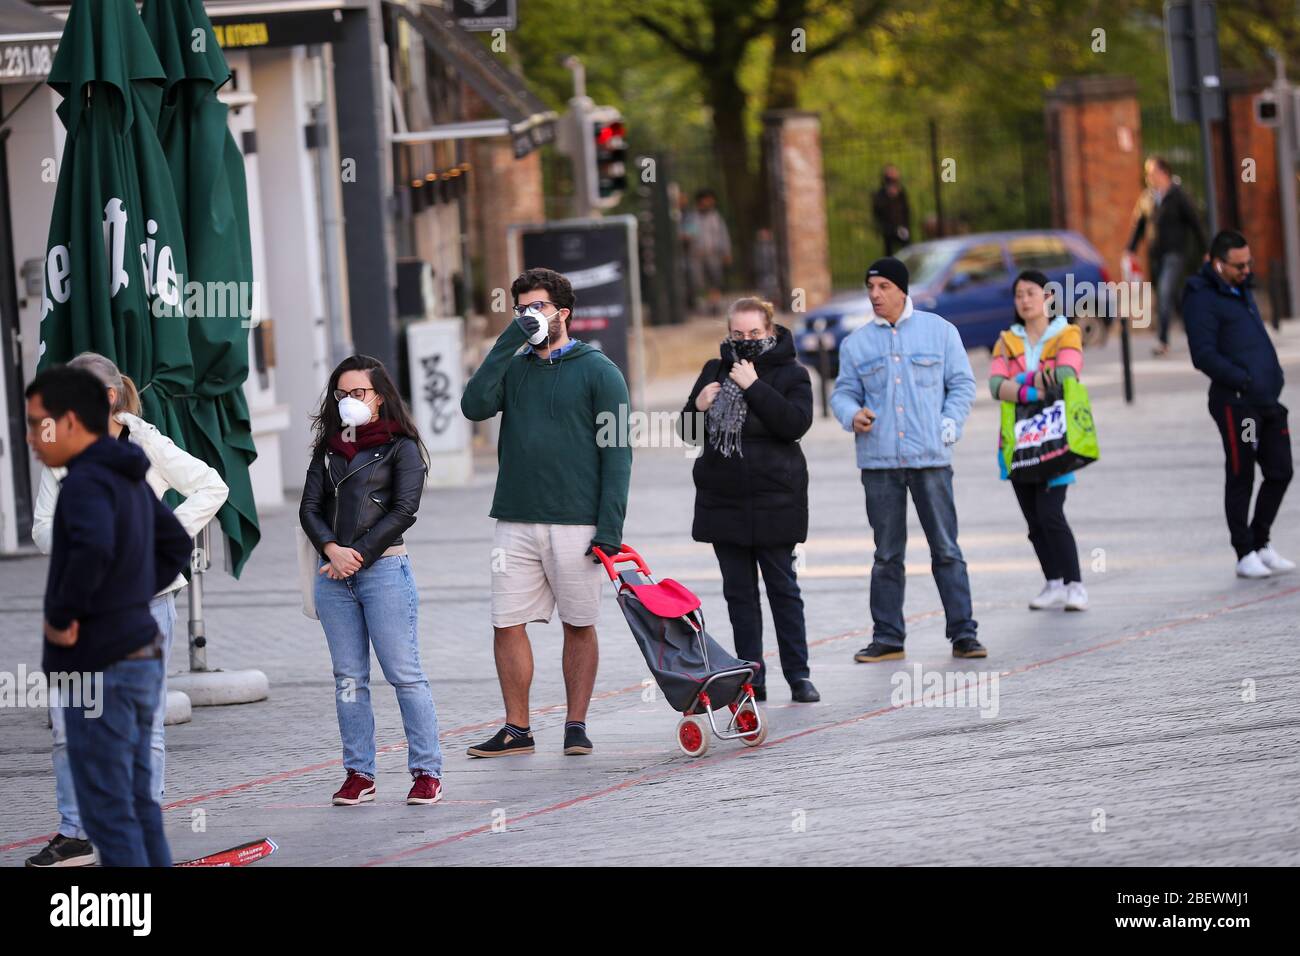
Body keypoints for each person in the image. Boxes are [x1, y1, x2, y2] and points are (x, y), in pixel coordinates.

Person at [25, 353, 227, 868]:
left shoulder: (142, 447)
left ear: (109, 398)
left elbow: (210, 487)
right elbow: (41, 527)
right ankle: (76, 834)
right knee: (70, 730)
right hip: (86, 619)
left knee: (143, 730)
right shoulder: (62, 453)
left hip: (142, 609)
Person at [460, 267, 632, 758]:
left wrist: (610, 528)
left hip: (578, 521)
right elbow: (474, 406)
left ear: (564, 313)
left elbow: (618, 451)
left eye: (537, 307)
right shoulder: (513, 365)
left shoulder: (601, 371)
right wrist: (507, 341)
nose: (529, 316)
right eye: (521, 309)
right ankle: (517, 729)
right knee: (506, 621)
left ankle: (576, 724)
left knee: (579, 623)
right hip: (515, 518)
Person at [299, 355, 444, 806]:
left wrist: (357, 555)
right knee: (348, 678)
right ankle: (359, 773)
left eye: (358, 393)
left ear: (380, 396)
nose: (348, 402)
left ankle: (426, 771)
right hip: (331, 574)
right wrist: (332, 550)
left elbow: (405, 511)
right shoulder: (328, 448)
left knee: (404, 673)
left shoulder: (402, 447)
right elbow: (308, 508)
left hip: (383, 570)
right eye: (341, 394)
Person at [830, 257, 986, 662]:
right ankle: (888, 637)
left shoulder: (940, 332)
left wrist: (950, 424)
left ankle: (964, 634)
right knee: (886, 553)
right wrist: (852, 414)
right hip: (879, 463)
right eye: (870, 287)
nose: (875, 295)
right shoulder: (856, 343)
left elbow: (962, 384)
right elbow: (843, 393)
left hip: (931, 458)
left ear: (902, 290)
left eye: (883, 286)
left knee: (946, 548)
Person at [680, 297, 818, 703]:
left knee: (783, 590)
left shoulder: (792, 372)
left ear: (770, 332)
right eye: (737, 334)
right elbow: (688, 433)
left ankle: (799, 675)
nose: (745, 340)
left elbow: (794, 424)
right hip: (725, 502)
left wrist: (753, 386)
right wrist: (698, 406)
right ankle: (751, 678)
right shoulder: (714, 369)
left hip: (776, 498)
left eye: (754, 333)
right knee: (739, 596)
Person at [1184, 229, 1293, 579]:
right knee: (1241, 471)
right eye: (1239, 265)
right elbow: (1202, 355)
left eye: (1249, 263)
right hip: (1237, 404)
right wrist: (1243, 380)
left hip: (1266, 400)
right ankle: (1243, 551)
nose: (1248, 270)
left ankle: (1261, 542)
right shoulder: (1201, 297)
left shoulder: (1241, 288)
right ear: (1218, 263)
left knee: (1281, 470)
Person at [989, 271, 1088, 611]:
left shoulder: (1066, 334)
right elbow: (994, 385)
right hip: (1017, 441)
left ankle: (1075, 583)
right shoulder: (1006, 341)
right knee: (1033, 520)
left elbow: (1065, 375)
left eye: (1031, 293)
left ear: (1047, 297)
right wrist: (1033, 387)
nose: (1025, 300)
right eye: (1019, 295)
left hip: (1055, 438)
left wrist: (1017, 383)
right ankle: (1053, 582)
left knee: (1051, 513)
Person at [1126, 155, 1207, 356]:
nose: (1148, 176)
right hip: (1157, 256)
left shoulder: (1178, 195)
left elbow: (1195, 223)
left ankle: (1163, 341)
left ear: (1163, 173)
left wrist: (1206, 250)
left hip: (1176, 253)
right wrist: (1130, 250)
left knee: (1164, 293)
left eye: (1151, 172)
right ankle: (1198, 334)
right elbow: (1140, 226)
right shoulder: (1148, 197)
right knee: (1175, 298)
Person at [684, 188, 732, 314]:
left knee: (715, 280)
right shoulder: (692, 217)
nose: (709, 203)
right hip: (696, 255)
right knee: (697, 281)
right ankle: (696, 303)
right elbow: (687, 234)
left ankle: (714, 305)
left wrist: (726, 252)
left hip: (713, 254)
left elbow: (723, 235)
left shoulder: (716, 217)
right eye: (707, 200)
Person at [872, 165, 912, 256]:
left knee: (906, 248)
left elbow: (906, 209)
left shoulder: (901, 193)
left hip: (901, 226)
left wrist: (906, 225)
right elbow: (877, 210)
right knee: (889, 251)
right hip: (888, 228)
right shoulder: (880, 194)